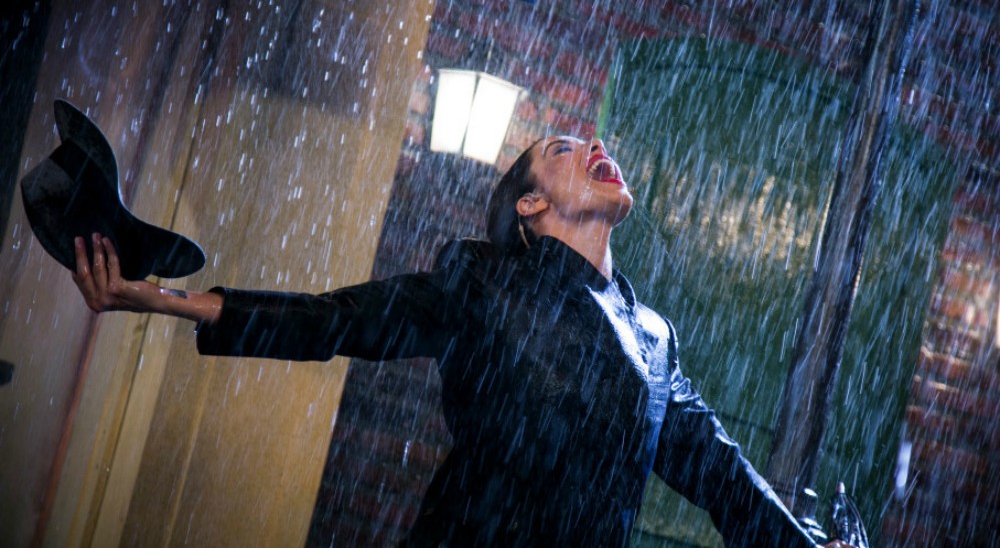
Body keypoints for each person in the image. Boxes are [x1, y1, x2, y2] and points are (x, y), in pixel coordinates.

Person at [72, 136, 851, 547]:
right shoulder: (481, 281)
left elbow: (724, 476)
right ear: (529, 205)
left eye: (590, 140)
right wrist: (165, 299)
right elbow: (336, 318)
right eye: (561, 148)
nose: (591, 145)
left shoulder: (654, 339)